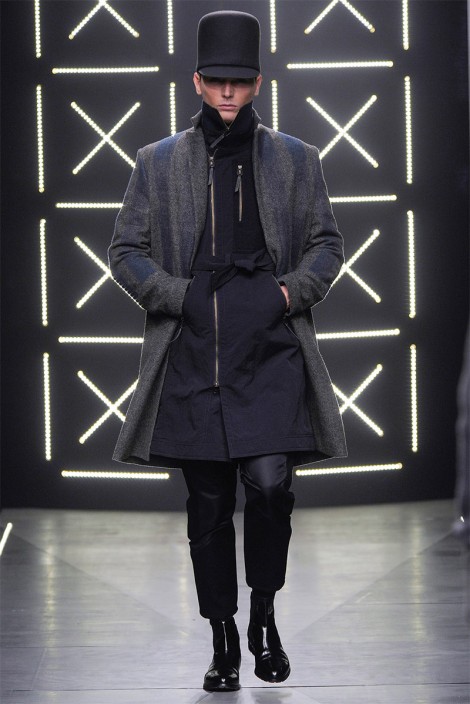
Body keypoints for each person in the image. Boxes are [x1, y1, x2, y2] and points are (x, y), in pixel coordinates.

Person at [108, 10, 346, 692]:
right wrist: (178, 297)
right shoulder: (157, 163)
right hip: (194, 351)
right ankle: (223, 639)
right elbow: (125, 251)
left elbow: (326, 244)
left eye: (239, 81)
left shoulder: (297, 159)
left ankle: (264, 615)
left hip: (269, 347)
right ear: (196, 81)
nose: (228, 93)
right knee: (208, 507)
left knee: (271, 488)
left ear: (259, 83)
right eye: (217, 80)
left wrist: (287, 293)